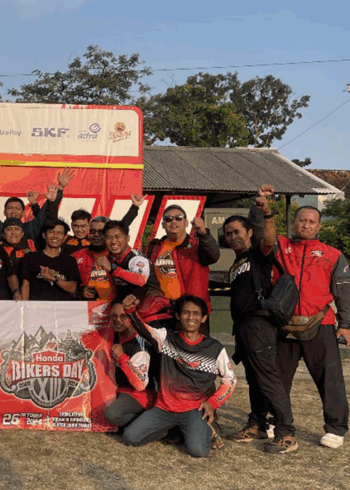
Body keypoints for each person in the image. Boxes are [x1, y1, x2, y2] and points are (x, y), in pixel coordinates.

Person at [275, 205, 350, 449]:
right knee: (277, 378)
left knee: (330, 379)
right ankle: (275, 421)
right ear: (294, 222)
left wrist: (345, 324)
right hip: (284, 324)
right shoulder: (280, 247)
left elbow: (344, 291)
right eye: (302, 220)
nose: (306, 225)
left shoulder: (333, 255)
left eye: (312, 222)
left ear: (319, 226)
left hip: (320, 323)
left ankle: (335, 428)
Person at [223, 186, 296, 453]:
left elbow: (268, 240)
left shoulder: (258, 253)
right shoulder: (236, 263)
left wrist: (267, 214)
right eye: (228, 234)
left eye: (237, 232)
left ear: (249, 233)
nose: (233, 237)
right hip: (243, 328)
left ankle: (286, 433)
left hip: (259, 324)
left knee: (268, 379)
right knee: (255, 379)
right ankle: (257, 425)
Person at [120, 294, 235, 458]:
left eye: (196, 314)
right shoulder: (166, 338)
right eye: (186, 313)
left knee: (198, 451)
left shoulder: (214, 348)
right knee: (130, 438)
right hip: (164, 409)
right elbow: (145, 330)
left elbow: (230, 380)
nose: (191, 318)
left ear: (204, 318)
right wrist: (130, 311)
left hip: (195, 410)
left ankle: (210, 430)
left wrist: (212, 403)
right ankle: (178, 430)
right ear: (178, 315)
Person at [145, 204, 219, 318]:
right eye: (168, 219)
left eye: (178, 218)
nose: (173, 221)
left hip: (192, 312)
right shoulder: (154, 247)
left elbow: (213, 256)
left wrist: (203, 233)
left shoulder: (198, 245)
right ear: (163, 225)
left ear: (186, 223)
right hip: (161, 310)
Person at [104, 301, 156, 429]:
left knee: (112, 414)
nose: (118, 320)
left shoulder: (138, 343)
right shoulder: (113, 336)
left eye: (123, 316)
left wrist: (122, 357)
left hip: (139, 395)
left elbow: (140, 384)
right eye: (114, 316)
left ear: (132, 317)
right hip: (119, 390)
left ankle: (153, 422)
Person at [20, 220, 81, 301]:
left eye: (59, 233)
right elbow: (25, 285)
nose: (55, 236)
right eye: (51, 232)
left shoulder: (70, 260)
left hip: (62, 307)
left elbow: (73, 288)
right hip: (36, 307)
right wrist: (23, 307)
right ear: (44, 235)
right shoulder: (30, 257)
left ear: (64, 237)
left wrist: (54, 278)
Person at [74, 216, 114, 302]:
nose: (96, 235)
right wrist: (80, 291)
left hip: (114, 307)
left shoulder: (119, 256)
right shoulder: (76, 256)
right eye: (92, 231)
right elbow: (67, 285)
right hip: (86, 307)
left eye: (101, 232)